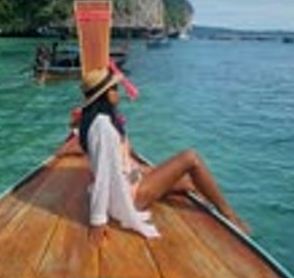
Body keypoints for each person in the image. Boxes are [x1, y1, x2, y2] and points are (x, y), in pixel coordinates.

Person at [78, 67, 249, 246]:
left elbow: (115, 163)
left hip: (130, 182)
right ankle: (229, 216)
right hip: (130, 195)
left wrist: (142, 169)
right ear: (105, 94)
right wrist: (98, 221)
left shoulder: (99, 120)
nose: (118, 93)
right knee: (191, 158)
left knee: (189, 183)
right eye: (114, 89)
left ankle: (216, 215)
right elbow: (104, 176)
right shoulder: (103, 127)